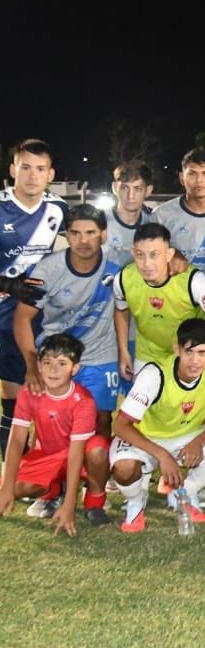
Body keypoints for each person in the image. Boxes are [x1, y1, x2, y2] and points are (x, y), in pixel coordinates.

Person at [109, 318, 205, 533]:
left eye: (202, 353)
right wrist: (162, 455)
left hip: (188, 435)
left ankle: (184, 493)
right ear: (177, 350)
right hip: (146, 438)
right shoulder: (154, 374)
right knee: (124, 469)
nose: (195, 361)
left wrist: (199, 442)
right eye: (189, 352)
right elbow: (121, 426)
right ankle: (136, 502)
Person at [15, 204, 123, 440]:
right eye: (75, 233)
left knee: (101, 420)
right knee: (54, 422)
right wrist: (33, 364)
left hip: (100, 355)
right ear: (67, 236)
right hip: (57, 355)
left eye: (90, 233)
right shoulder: (47, 269)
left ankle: (96, 475)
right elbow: (22, 317)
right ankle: (55, 472)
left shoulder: (117, 266)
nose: (83, 240)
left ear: (103, 235)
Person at [0, 334, 111, 532]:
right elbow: (17, 439)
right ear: (39, 366)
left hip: (78, 456)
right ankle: (53, 489)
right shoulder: (29, 392)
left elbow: (76, 454)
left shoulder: (83, 401)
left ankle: (94, 502)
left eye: (62, 363)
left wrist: (69, 506)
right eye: (47, 362)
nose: (53, 369)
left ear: (74, 368)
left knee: (98, 449)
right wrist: (7, 488)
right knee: (15, 488)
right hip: (49, 455)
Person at [0, 139, 68, 454]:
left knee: (46, 387)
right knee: (14, 393)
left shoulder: (59, 209)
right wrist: (9, 283)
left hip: (44, 315)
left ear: (50, 174)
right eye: (25, 167)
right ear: (13, 169)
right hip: (4, 313)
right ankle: (14, 457)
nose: (32, 175)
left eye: (40, 169)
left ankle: (45, 460)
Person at [113, 223, 205, 378]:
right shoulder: (123, 279)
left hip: (190, 356)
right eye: (140, 254)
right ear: (133, 253)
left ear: (169, 254)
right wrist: (123, 351)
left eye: (154, 254)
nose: (147, 263)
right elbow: (121, 310)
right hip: (148, 356)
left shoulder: (193, 281)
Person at [103, 160, 156, 267]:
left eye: (137, 188)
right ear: (114, 188)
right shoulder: (99, 221)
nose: (130, 196)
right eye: (125, 188)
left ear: (148, 190)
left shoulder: (155, 221)